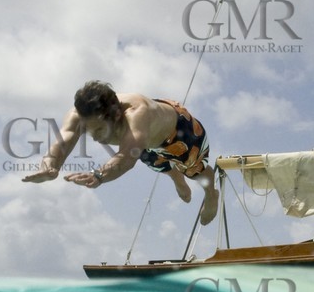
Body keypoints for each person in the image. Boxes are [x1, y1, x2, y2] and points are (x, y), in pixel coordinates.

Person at [23, 81, 220, 225]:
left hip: (179, 132)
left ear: (117, 115)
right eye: (88, 130)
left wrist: (98, 175)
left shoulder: (137, 114)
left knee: (196, 172)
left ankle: (211, 195)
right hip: (147, 143)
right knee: (156, 162)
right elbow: (64, 139)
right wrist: (50, 165)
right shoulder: (80, 114)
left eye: (99, 130)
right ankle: (176, 176)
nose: (93, 137)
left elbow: (126, 158)